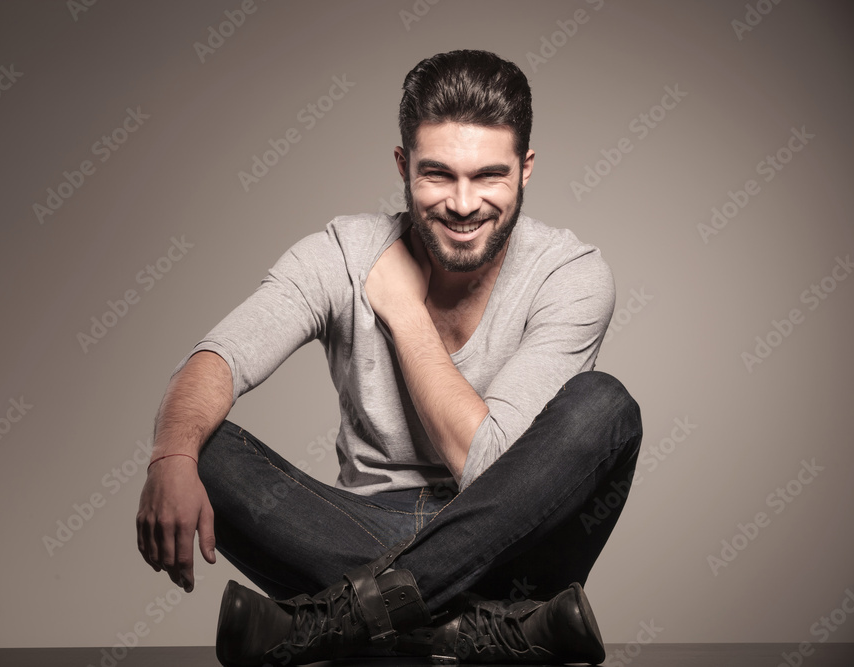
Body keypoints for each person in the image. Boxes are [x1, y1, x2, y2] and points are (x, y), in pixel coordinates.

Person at [136, 49, 642, 666]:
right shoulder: (342, 253)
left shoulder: (569, 274)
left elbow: (492, 471)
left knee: (604, 406)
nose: (463, 204)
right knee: (200, 441)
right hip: (358, 532)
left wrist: (405, 312)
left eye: (489, 176)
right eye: (438, 175)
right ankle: (483, 630)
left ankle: (338, 622)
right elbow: (219, 357)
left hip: (510, 548)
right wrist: (171, 456)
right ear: (403, 166)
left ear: (525, 169)